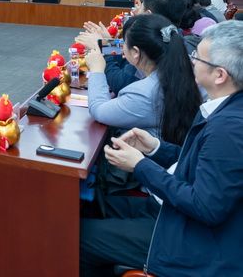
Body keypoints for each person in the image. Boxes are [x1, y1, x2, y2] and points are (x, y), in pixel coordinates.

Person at [80, 21, 243, 277]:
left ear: (220, 75)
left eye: (197, 57)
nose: (190, 61)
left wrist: (140, 165)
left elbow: (205, 206)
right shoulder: (224, 108)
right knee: (91, 205)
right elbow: (201, 166)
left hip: (194, 240)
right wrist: (155, 148)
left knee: (81, 237)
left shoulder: (229, 129)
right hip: (177, 213)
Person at [79, 14, 201, 144]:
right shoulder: (180, 64)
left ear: (136, 52)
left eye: (124, 42)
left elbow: (98, 110)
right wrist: (106, 44)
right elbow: (132, 52)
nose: (121, 46)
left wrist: (96, 70)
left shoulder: (143, 94)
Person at [82, 0, 200, 93]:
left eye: (139, 8)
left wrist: (103, 48)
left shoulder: (153, 44)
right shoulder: (175, 37)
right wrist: (108, 43)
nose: (134, 12)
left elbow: (120, 83)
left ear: (148, 14)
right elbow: (127, 61)